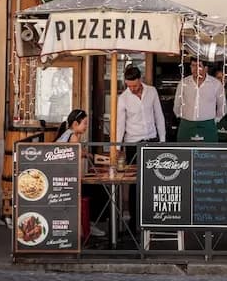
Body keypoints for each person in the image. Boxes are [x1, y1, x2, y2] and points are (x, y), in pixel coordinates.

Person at [116, 65, 166, 230]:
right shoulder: (123, 98)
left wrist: (162, 140)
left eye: (135, 85)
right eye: (129, 86)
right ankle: (135, 220)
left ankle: (152, 218)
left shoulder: (151, 92)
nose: (132, 89)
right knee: (135, 182)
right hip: (133, 143)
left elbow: (158, 115)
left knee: (154, 180)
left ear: (141, 80)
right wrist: (117, 147)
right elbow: (120, 124)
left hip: (151, 140)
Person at [55, 109, 106, 237]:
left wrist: (89, 155)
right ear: (75, 124)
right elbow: (77, 153)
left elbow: (78, 153)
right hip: (64, 180)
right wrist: (89, 155)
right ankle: (88, 224)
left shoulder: (69, 134)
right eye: (85, 123)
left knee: (95, 188)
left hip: (64, 176)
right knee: (98, 190)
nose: (86, 126)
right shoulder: (72, 136)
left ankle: (87, 223)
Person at [174, 57, 226, 142]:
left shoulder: (216, 84)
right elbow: (177, 105)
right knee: (184, 153)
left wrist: (214, 121)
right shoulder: (183, 83)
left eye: (199, 66)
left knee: (209, 154)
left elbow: (222, 107)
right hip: (186, 125)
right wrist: (183, 118)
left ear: (206, 68)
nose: (195, 69)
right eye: (193, 65)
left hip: (208, 126)